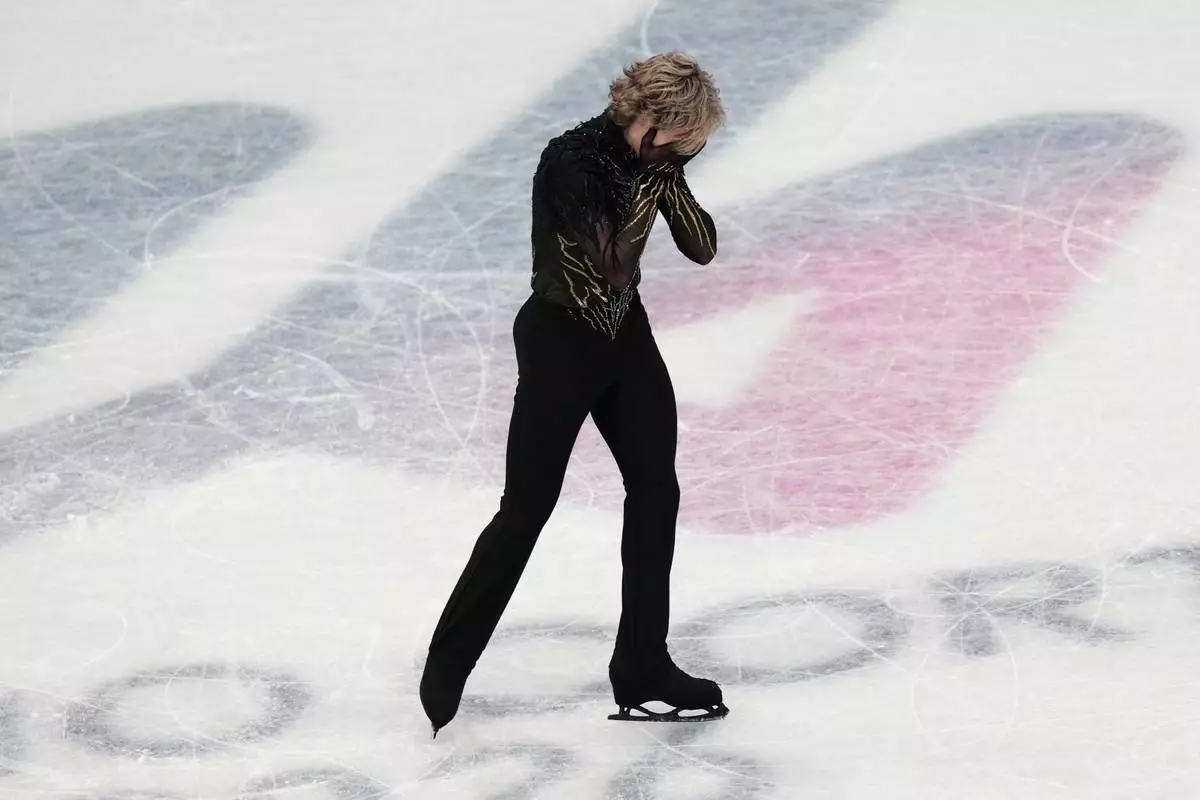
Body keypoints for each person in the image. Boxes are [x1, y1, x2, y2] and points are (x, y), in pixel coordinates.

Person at [420, 52, 727, 737]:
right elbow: (608, 260)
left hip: (626, 340)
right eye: (683, 137)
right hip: (561, 343)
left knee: (657, 490)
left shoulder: (656, 162)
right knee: (527, 507)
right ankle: (448, 662)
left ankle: (643, 664)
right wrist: (658, 176)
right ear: (649, 121)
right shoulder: (571, 162)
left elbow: (702, 247)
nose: (689, 149)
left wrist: (669, 176)